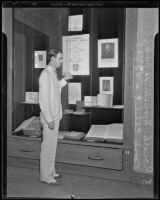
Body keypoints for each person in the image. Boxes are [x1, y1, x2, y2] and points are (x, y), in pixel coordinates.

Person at [39, 49, 73, 185]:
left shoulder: (52, 73)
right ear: (52, 58)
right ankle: (45, 176)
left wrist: (64, 80)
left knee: (52, 147)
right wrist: (49, 119)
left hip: (55, 116)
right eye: (60, 58)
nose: (61, 61)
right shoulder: (45, 75)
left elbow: (55, 89)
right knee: (47, 148)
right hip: (50, 119)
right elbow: (43, 100)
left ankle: (50, 171)